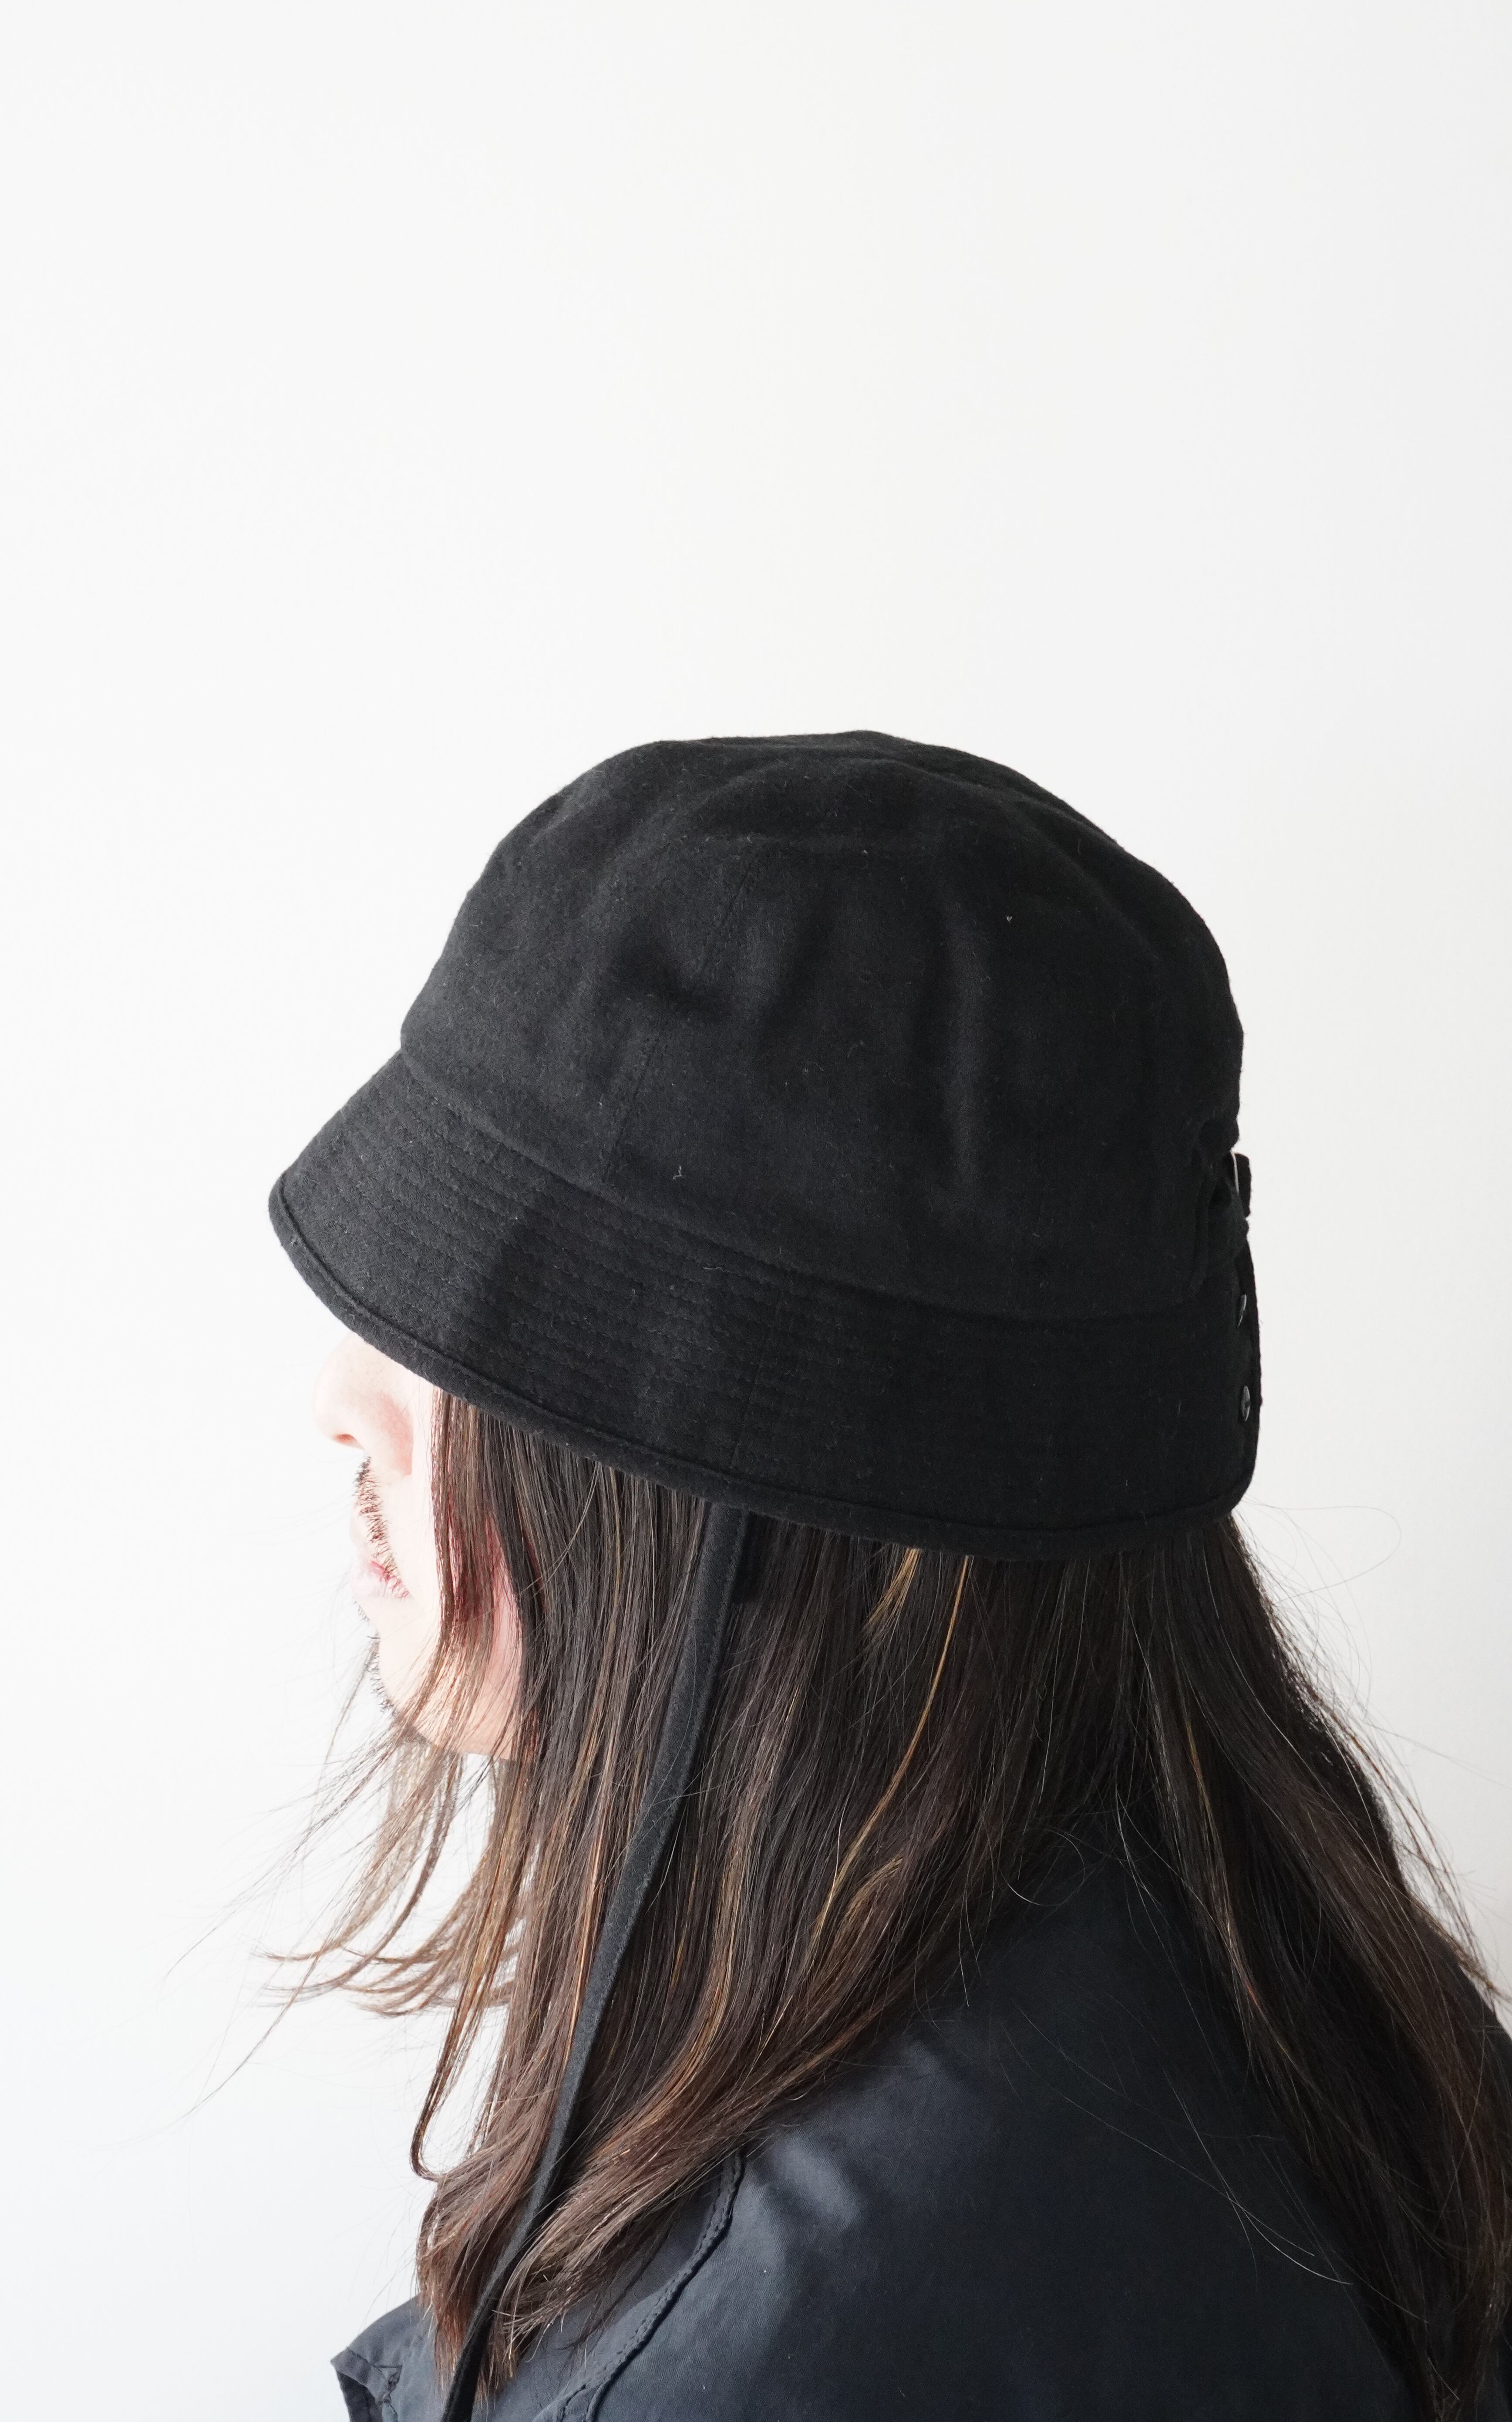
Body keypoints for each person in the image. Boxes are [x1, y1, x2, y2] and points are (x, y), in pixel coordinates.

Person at [268, 733, 1512, 2422]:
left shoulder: (792, 2359)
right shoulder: (1316, 2023)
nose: (343, 1401)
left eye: (471, 1325)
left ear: (757, 1496)